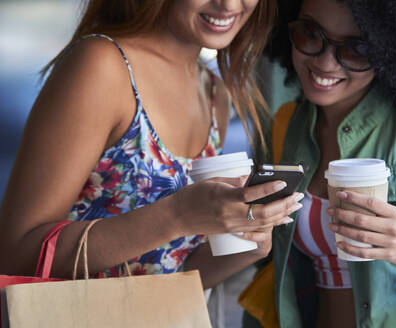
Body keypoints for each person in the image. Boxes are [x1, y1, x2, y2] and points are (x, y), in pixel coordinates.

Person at [0, 0, 305, 293]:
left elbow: (169, 272)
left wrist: (250, 245)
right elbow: (16, 255)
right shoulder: (101, 65)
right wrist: (177, 216)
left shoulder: (213, 93)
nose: (228, 4)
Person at [248, 0, 396, 327]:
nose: (324, 61)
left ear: (393, 49)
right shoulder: (287, 127)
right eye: (310, 33)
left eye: (357, 48)